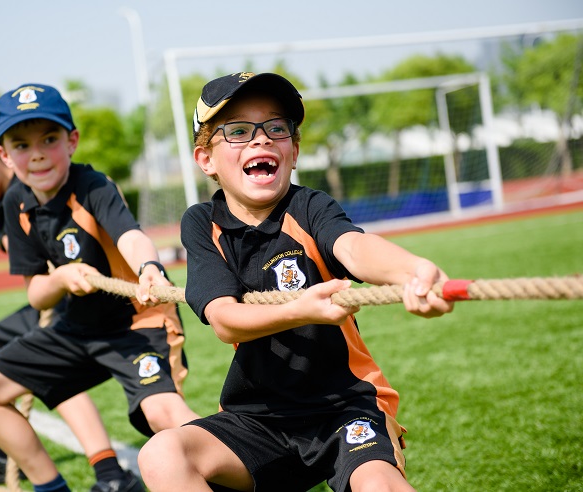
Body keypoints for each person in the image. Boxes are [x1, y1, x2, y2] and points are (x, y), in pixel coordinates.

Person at [137, 72, 456, 492]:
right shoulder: (202, 223)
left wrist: (412, 269)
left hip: (345, 409)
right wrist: (300, 310)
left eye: (276, 128)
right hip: (257, 417)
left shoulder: (309, 206)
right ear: (206, 159)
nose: (261, 140)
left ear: (294, 149)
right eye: (237, 131)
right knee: (162, 454)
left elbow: (354, 248)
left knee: (380, 485)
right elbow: (225, 320)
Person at [0, 83, 200, 492]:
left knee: (161, 413)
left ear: (72, 141)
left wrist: (150, 269)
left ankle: (241, 458)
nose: (36, 154)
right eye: (21, 144)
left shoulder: (93, 186)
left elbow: (132, 236)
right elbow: (35, 292)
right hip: (74, 329)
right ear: (3, 155)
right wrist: (59, 279)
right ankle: (52, 487)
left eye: (49, 140)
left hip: (135, 325)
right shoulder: (16, 201)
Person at [0, 119, 142, 491]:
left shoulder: (33, 187)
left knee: (47, 360)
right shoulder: (2, 202)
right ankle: (6, 450)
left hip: (96, 306)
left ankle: (108, 471)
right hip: (58, 297)